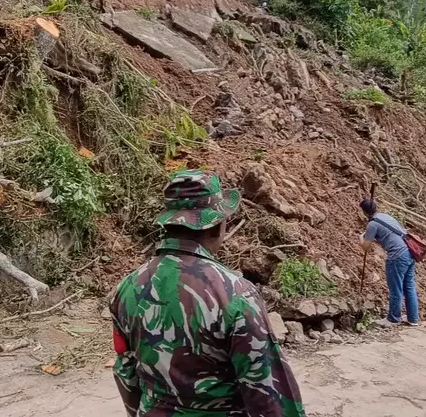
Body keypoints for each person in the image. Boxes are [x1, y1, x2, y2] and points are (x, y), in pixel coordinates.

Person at [109, 170, 305, 416]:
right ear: (216, 225)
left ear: (169, 224)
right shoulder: (236, 293)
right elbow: (266, 388)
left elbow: (126, 371)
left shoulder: (126, 288)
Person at [359, 198, 419, 327]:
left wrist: (360, 238)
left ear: (364, 212)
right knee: (409, 286)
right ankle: (413, 318)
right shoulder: (385, 216)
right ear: (376, 208)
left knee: (395, 288)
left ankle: (393, 318)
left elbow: (366, 247)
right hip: (409, 251)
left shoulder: (372, 224)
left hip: (397, 256)